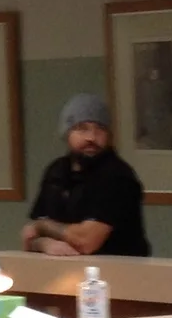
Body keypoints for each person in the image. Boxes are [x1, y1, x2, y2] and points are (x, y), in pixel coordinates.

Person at [21, 93, 149, 257]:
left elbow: (86, 241)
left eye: (100, 130)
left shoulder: (117, 176)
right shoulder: (56, 170)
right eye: (82, 129)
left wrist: (43, 226)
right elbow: (28, 236)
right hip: (61, 273)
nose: (91, 137)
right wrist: (45, 243)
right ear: (67, 134)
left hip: (117, 272)